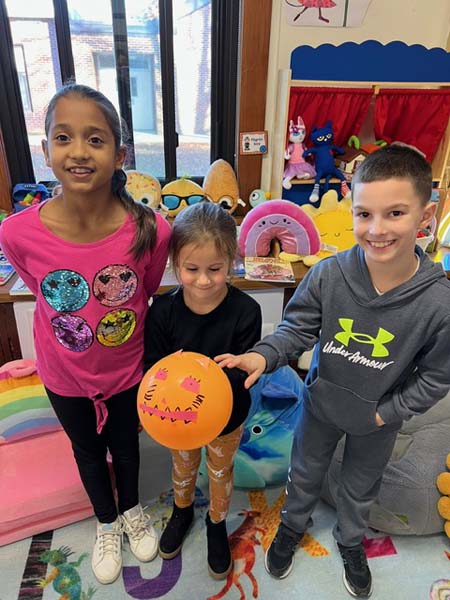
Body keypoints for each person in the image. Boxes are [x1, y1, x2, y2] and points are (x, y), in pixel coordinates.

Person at [216, 145, 450, 598]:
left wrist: (388, 412)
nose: (376, 230)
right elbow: (295, 330)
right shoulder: (327, 275)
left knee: (361, 488)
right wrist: (263, 357)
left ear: (426, 214)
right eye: (364, 214)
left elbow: (438, 377)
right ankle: (291, 528)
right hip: (320, 406)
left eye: (395, 213)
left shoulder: (439, 303)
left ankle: (349, 541)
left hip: (377, 422)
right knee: (303, 474)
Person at [0, 84, 171, 585]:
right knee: (87, 451)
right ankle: (106, 520)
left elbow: (148, 291)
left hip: (126, 370)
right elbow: (43, 292)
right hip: (64, 374)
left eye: (95, 139)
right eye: (63, 137)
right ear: (47, 149)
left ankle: (133, 509)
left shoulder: (151, 230)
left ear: (119, 154)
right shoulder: (16, 232)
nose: (78, 151)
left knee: (129, 446)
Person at [143, 201, 262, 579]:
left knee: (219, 469)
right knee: (182, 465)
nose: (203, 280)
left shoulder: (247, 311)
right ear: (175, 263)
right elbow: (150, 368)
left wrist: (208, 373)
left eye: (215, 269)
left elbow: (244, 371)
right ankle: (181, 511)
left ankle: (216, 521)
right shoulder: (162, 311)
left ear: (232, 261)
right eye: (191, 269)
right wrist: (167, 371)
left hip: (227, 417)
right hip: (177, 418)